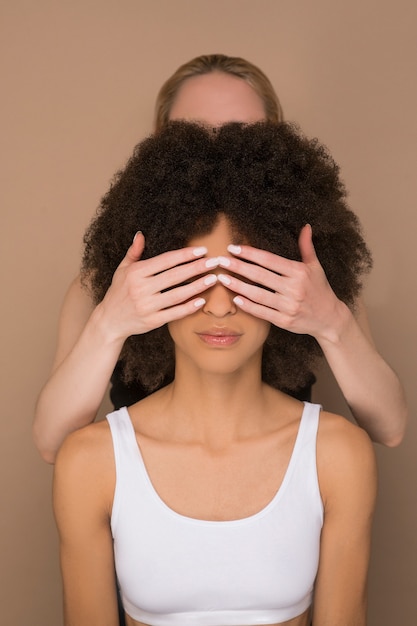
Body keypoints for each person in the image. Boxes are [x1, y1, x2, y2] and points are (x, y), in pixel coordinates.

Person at [53, 121, 377, 626]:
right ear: (150, 287)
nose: (221, 308)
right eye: (195, 278)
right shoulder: (90, 463)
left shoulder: (338, 456)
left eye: (245, 278)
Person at [34, 54, 407, 465]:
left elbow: (389, 428)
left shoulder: (315, 278)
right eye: (193, 133)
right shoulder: (101, 283)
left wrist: (333, 323)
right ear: (161, 144)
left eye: (239, 135)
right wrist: (109, 324)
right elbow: (54, 444)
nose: (218, 155)